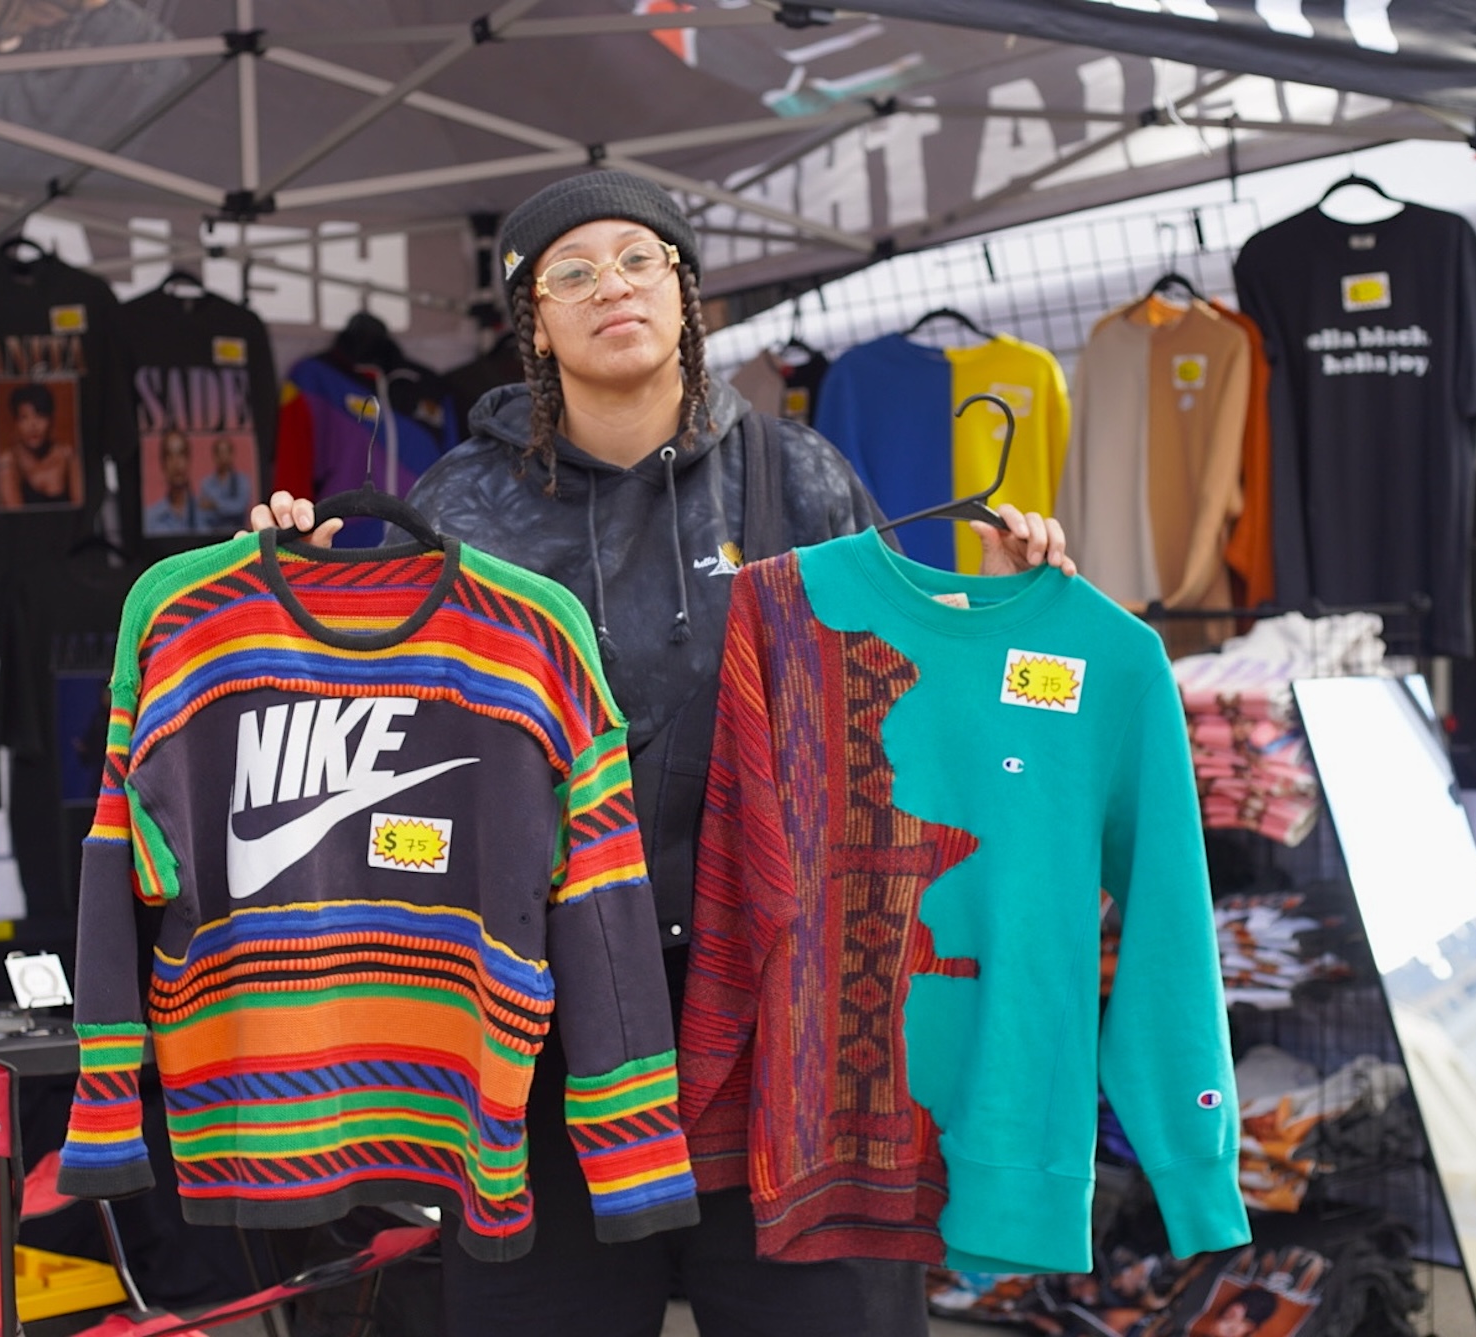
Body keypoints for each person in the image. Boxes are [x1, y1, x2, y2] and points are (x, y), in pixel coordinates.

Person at [250, 171, 1072, 1337]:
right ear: (531, 320)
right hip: (542, 1038)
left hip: (788, 1030)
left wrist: (1011, 608)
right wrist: (289, 582)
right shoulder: (463, 502)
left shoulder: (800, 477)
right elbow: (368, 730)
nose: (609, 288)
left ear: (684, 291)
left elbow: (907, 719)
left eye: (637, 259)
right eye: (568, 273)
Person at [0, 382, 83, 509]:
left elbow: (81, 508)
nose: (33, 425)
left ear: (51, 419)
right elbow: (14, 515)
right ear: (16, 423)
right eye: (24, 417)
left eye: (40, 415)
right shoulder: (8, 462)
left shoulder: (67, 456)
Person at [144, 429, 198, 534]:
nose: (176, 463)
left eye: (181, 454)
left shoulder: (207, 513)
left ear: (188, 460)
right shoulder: (151, 518)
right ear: (163, 464)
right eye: (170, 455)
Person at [196, 434, 251, 532]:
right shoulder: (207, 484)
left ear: (231, 454)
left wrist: (215, 505)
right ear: (215, 456)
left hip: (237, 533)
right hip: (213, 535)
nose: (223, 457)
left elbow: (240, 507)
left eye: (226, 452)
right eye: (220, 453)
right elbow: (204, 513)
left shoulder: (242, 481)